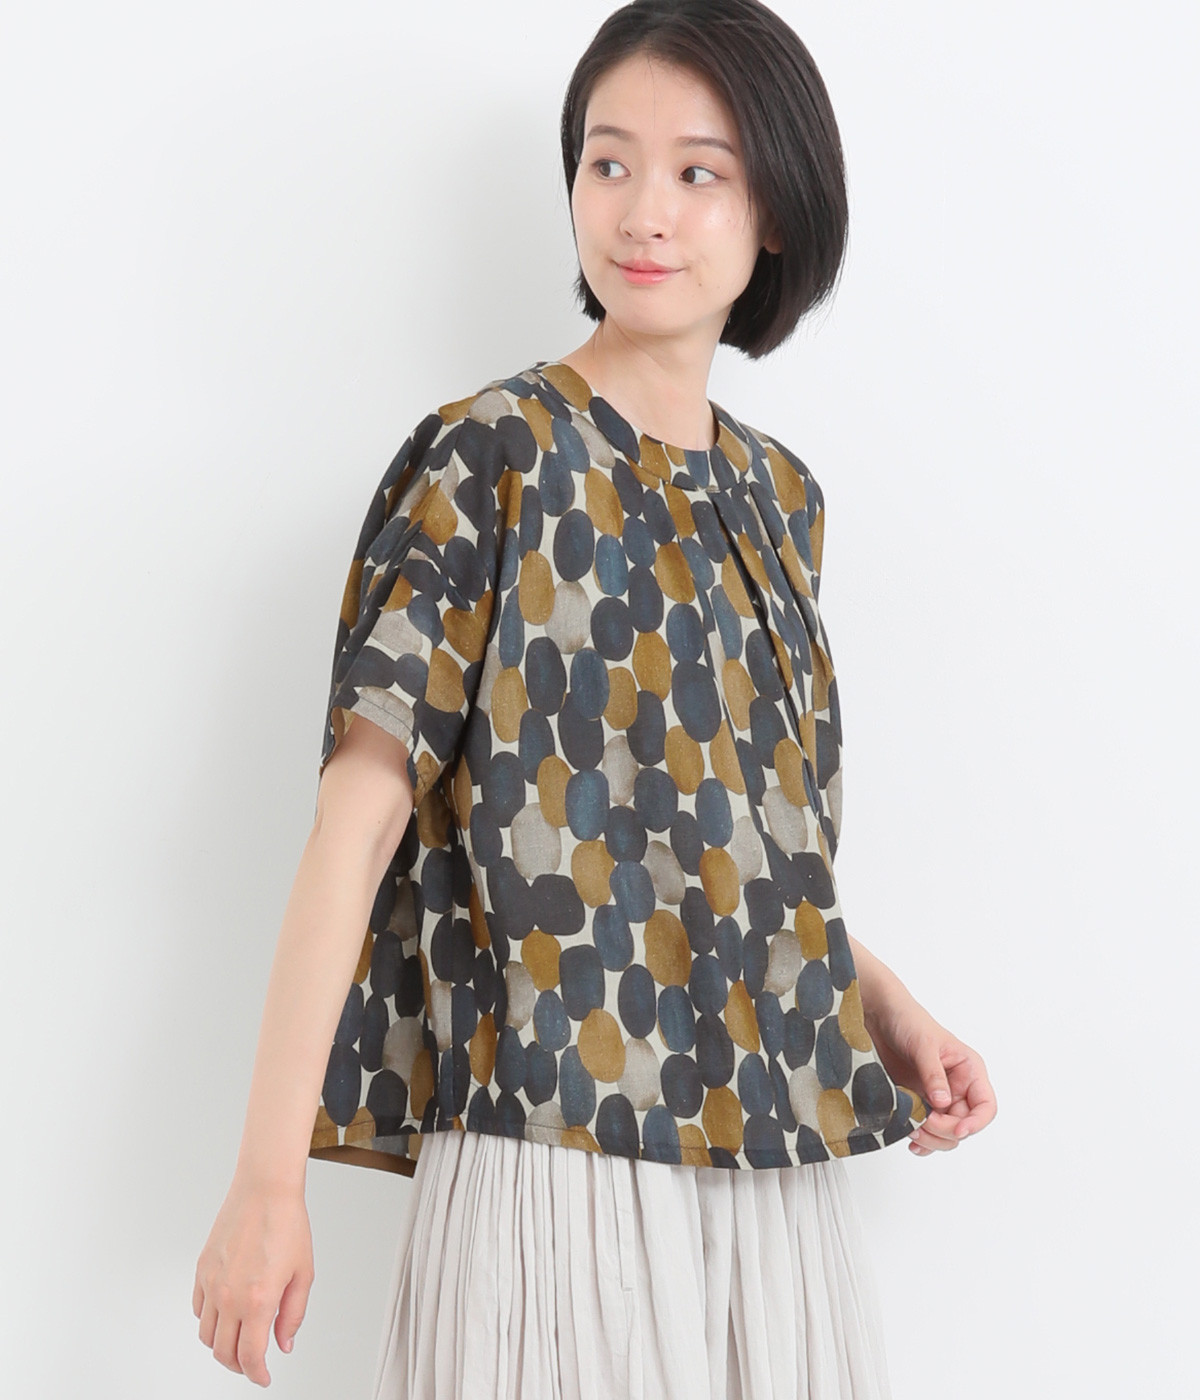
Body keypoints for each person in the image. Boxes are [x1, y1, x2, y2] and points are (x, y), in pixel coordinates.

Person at [193, 1, 997, 1394]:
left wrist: (880, 1000)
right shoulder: (490, 460)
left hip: (768, 1165)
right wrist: (268, 1180)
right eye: (608, 161)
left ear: (776, 212)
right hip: (548, 1148)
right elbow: (357, 824)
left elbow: (718, 839)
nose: (643, 211)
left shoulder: (779, 500)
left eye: (698, 172)